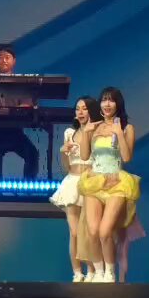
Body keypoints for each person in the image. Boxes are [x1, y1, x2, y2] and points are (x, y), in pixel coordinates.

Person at [77, 87, 143, 283]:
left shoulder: (127, 128)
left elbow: (127, 157)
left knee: (105, 231)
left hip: (117, 182)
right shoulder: (94, 127)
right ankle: (98, 271)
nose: (107, 104)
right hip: (95, 181)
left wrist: (119, 133)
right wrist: (86, 133)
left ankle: (110, 272)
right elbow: (84, 156)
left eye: (111, 100)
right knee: (92, 231)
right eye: (104, 100)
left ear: (117, 104)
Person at [49, 96, 99, 282]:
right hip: (72, 182)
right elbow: (66, 167)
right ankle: (77, 272)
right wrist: (63, 151)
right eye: (78, 108)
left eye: (84, 108)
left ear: (92, 111)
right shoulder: (70, 132)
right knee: (75, 232)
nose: (80, 112)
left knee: (89, 231)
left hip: (90, 183)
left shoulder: (97, 132)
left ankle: (93, 269)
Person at [0, 43, 39, 178]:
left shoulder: (22, 83)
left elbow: (27, 104)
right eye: (0, 57)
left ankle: (28, 186)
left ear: (14, 61)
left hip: (15, 132)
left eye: (7, 57)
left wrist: (12, 111)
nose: (4, 60)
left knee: (32, 153)